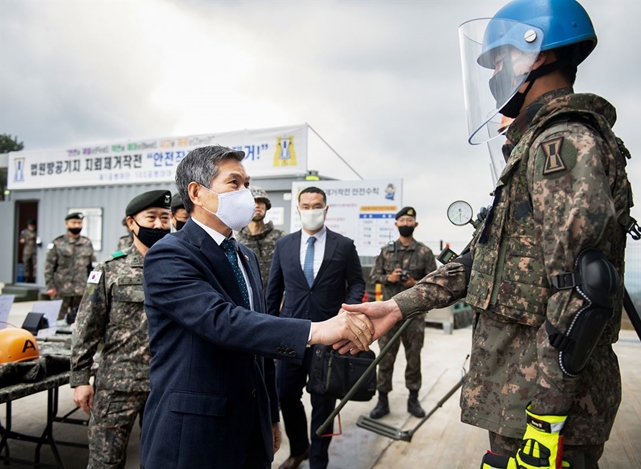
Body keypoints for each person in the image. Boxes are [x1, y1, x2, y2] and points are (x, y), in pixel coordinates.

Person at [343, 1, 636, 468]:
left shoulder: (560, 144)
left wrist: (547, 424)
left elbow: (583, 292)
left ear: (536, 54)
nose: (493, 74)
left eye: (498, 60)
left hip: (546, 416)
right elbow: (479, 261)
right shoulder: (534, 147)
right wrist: (397, 306)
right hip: (518, 403)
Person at [140, 146, 373, 469]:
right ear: (197, 192)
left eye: (247, 184)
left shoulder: (244, 256)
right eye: (234, 183)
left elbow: (258, 342)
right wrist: (317, 329)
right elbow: (222, 321)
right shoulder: (170, 255)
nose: (245, 194)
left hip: (251, 428)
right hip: (197, 434)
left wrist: (270, 417)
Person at [70, 190, 172, 469]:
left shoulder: (181, 267)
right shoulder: (110, 269)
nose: (159, 225)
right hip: (118, 385)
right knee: (106, 461)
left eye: (165, 218)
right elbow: (86, 326)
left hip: (166, 383)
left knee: (161, 461)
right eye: (151, 217)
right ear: (131, 223)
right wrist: (80, 379)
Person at [267, 186, 366, 469]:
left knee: (323, 399)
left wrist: (347, 311)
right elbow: (273, 292)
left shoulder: (343, 245)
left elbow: (357, 282)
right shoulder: (283, 245)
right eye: (306, 206)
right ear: (298, 209)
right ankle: (300, 449)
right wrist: (267, 330)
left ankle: (319, 460)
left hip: (329, 337)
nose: (311, 210)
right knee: (285, 394)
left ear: (326, 209)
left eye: (317, 205)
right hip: (290, 335)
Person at [368, 206, 436, 420]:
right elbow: (373, 275)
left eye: (410, 220)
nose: (406, 223)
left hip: (413, 317)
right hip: (388, 315)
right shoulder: (387, 250)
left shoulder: (424, 252)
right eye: (402, 220)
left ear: (415, 224)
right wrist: (389, 278)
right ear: (396, 224)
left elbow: (435, 282)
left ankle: (413, 399)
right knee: (385, 358)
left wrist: (414, 283)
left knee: (413, 358)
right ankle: (382, 401)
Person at [45, 212, 97, 323]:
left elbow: (92, 267)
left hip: (81, 289)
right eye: (74, 223)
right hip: (61, 289)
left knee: (81, 320)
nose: (77, 226)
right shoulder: (58, 243)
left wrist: (92, 288)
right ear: (66, 224)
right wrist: (50, 286)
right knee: (56, 320)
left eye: (79, 223)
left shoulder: (87, 243)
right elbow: (49, 266)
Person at [236, 186, 285, 292]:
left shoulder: (280, 237)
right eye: (253, 201)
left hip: (275, 299)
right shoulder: (236, 239)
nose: (257, 205)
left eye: (261, 202)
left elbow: (289, 271)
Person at [19, 219, 39, 283]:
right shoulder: (24, 232)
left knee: (35, 265)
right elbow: (21, 240)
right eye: (30, 225)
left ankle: (35, 278)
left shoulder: (37, 231)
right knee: (26, 264)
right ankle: (26, 278)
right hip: (27, 250)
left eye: (32, 225)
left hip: (35, 250)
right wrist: (25, 240)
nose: (31, 226)